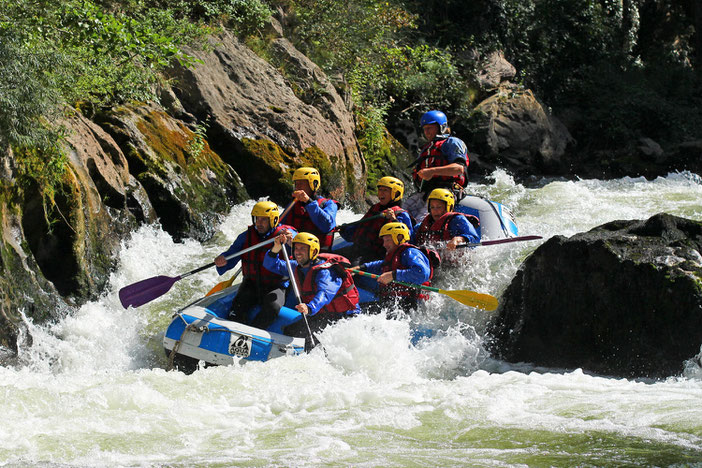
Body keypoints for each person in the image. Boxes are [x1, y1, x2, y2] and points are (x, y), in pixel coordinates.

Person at [214, 201, 297, 329]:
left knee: (273, 307)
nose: (259, 223)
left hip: (276, 285)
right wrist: (222, 260)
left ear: (274, 220)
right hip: (251, 284)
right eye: (257, 219)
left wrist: (292, 243)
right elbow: (231, 255)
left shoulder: (286, 234)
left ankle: (253, 332)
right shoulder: (246, 236)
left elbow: (300, 249)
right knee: (238, 307)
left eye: (264, 220)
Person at [263, 231, 360, 338]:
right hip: (324, 313)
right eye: (296, 248)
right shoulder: (297, 266)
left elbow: (324, 294)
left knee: (300, 333)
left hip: (345, 317)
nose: (298, 252)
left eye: (302, 249)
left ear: (313, 252)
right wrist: (276, 248)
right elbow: (270, 264)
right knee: (291, 330)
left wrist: (309, 308)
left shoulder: (326, 271)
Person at [406, 110, 470, 221]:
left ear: (441, 127)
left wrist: (431, 171)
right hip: (426, 192)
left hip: (446, 190)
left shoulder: (452, 142)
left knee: (421, 220)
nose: (426, 132)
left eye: (429, 128)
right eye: (425, 129)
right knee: (401, 212)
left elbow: (459, 169)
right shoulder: (427, 148)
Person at [356, 222, 432, 310]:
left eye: (387, 240)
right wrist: (361, 268)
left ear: (399, 237)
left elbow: (422, 273)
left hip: (410, 303)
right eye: (384, 241)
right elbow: (382, 264)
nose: (384, 245)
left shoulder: (410, 252)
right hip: (395, 301)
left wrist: (393, 275)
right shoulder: (395, 254)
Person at [338, 176, 415, 264]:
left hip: (376, 256)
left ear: (396, 193)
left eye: (385, 190)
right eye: (380, 190)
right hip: (357, 250)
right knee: (327, 257)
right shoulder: (375, 208)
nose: (381, 193)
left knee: (350, 267)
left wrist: (394, 220)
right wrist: (343, 229)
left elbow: (408, 240)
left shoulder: (401, 214)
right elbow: (359, 227)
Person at [281, 167, 338, 248]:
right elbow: (279, 224)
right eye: (296, 184)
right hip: (295, 252)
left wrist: (308, 202)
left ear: (313, 184)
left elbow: (327, 226)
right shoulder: (293, 204)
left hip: (317, 253)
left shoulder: (329, 204)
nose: (297, 187)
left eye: (301, 184)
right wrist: (290, 232)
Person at [414, 188, 480, 251]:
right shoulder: (422, 226)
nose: (435, 211)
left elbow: (475, 238)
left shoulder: (457, 220)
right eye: (432, 207)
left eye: (439, 207)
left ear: (449, 207)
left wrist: (458, 239)